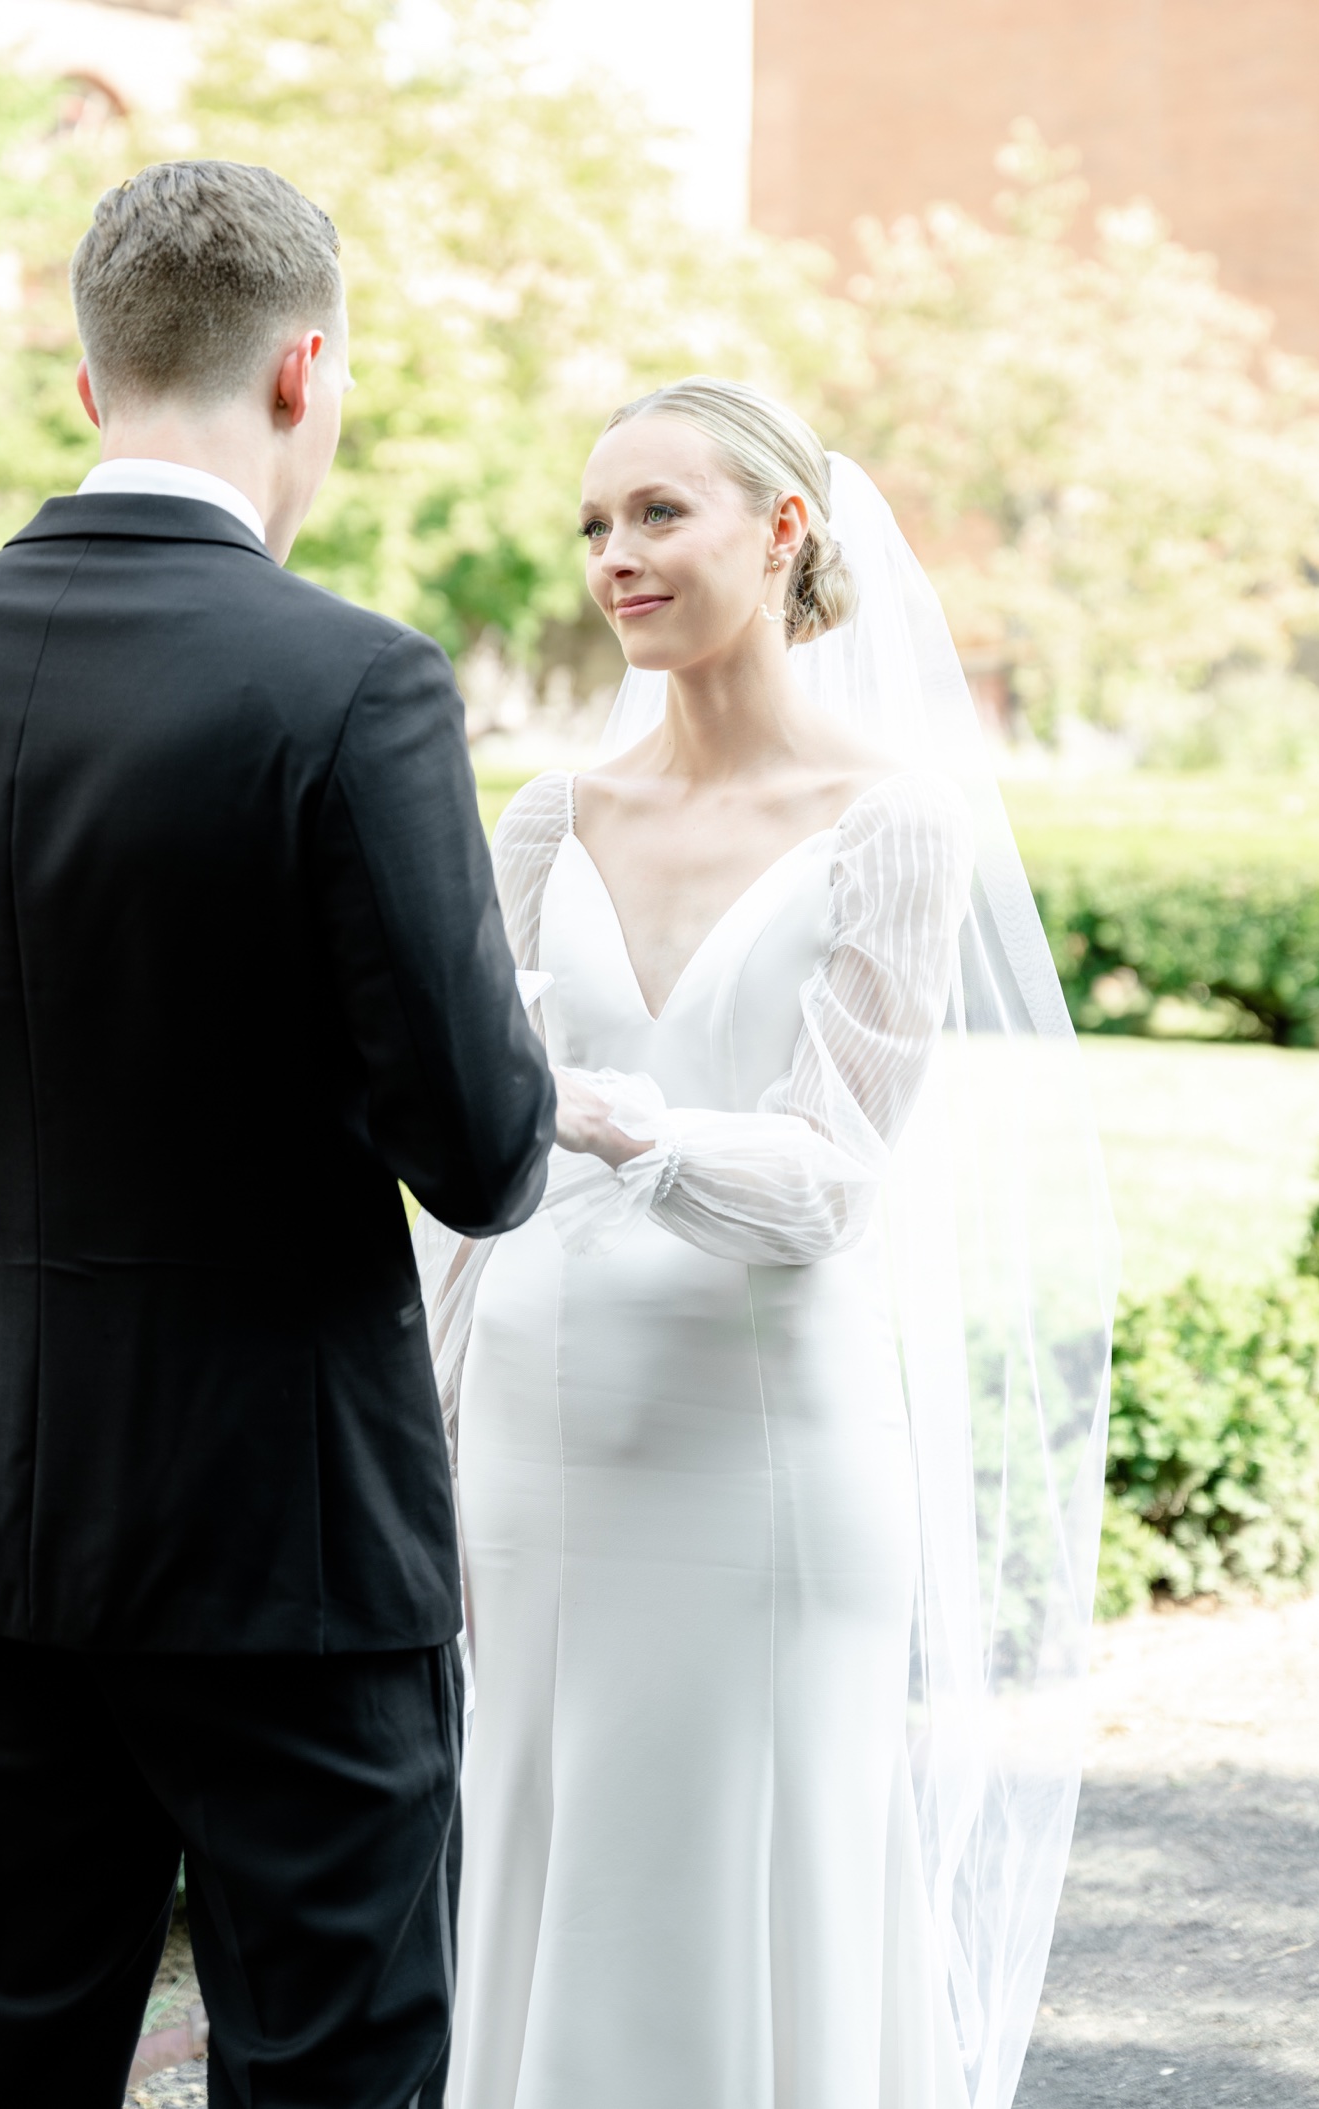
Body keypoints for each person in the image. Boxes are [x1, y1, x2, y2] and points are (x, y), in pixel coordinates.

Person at [0, 160, 556, 2109]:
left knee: (8, 2061)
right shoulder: (355, 682)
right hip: (286, 1533)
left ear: (89, 383)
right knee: (334, 2062)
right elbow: (480, 1146)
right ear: (307, 369)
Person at [415, 378, 1117, 2108]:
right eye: (594, 524)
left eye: (659, 512)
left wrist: (588, 1112)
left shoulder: (893, 819)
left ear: (784, 527)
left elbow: (821, 1180)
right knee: (530, 1835)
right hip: (530, 1441)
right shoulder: (543, 818)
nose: (615, 557)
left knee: (746, 1856)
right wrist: (411, 1420)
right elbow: (465, 1183)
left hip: (761, 1441)